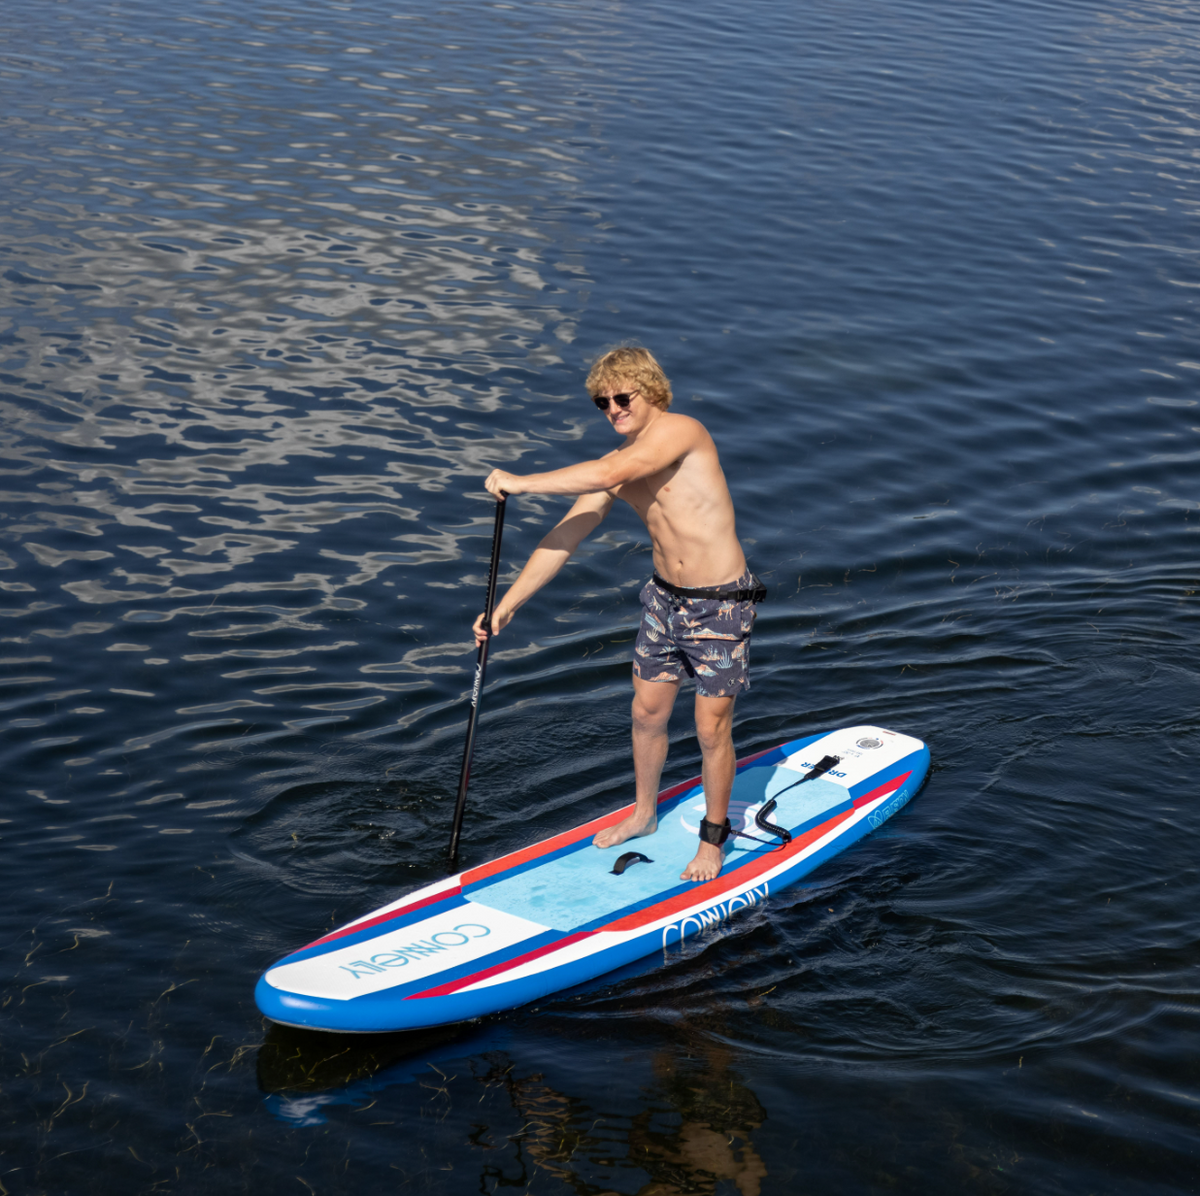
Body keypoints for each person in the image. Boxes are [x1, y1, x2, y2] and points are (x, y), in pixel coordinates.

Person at [474, 346, 763, 882]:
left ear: (650, 391)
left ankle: (713, 839)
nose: (612, 408)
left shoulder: (682, 431)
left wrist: (521, 481)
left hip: (719, 603)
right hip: (663, 600)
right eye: (601, 402)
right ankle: (644, 814)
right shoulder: (614, 469)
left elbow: (613, 468)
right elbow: (566, 536)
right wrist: (505, 607)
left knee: (709, 728)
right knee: (646, 713)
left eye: (621, 397)